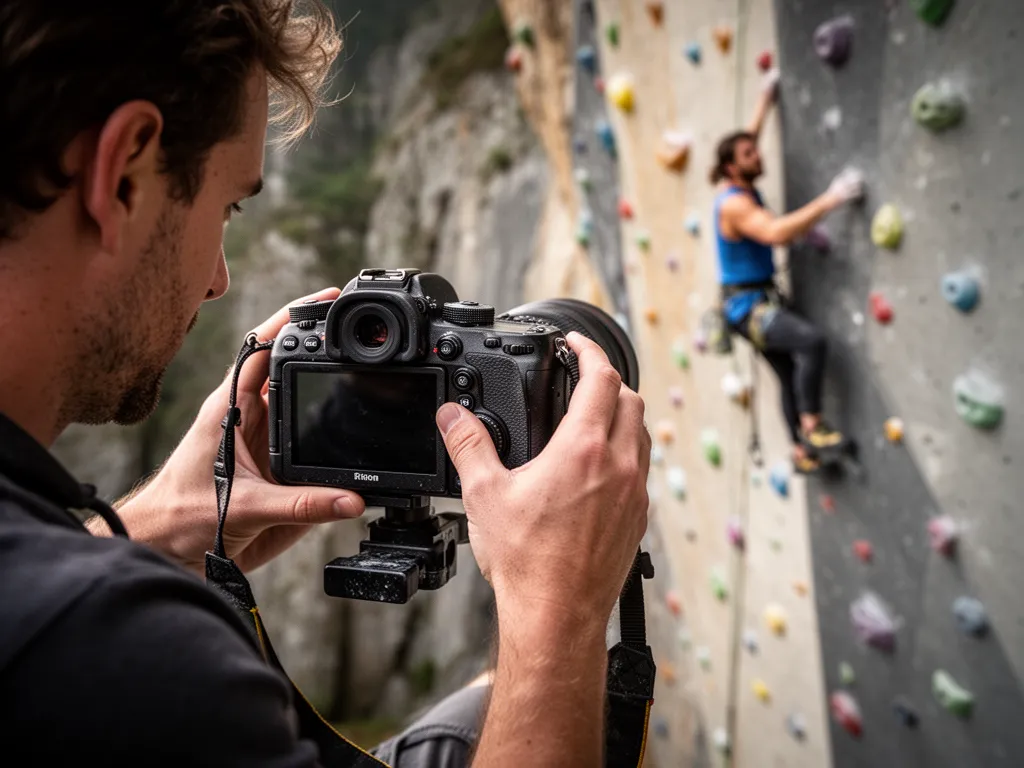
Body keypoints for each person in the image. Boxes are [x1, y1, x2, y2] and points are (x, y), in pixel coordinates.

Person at [0, 3, 651, 766]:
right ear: (124, 172)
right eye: (229, 205)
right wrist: (558, 617)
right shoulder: (138, 662)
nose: (219, 280)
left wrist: (152, 532)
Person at [709, 71, 864, 472]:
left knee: (788, 371)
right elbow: (776, 233)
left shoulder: (737, 179)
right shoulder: (735, 205)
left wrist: (764, 99)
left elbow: (748, 138)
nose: (757, 156)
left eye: (755, 150)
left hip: (748, 304)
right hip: (749, 308)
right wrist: (832, 198)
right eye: (749, 155)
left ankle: (802, 453)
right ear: (730, 167)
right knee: (810, 344)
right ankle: (811, 426)